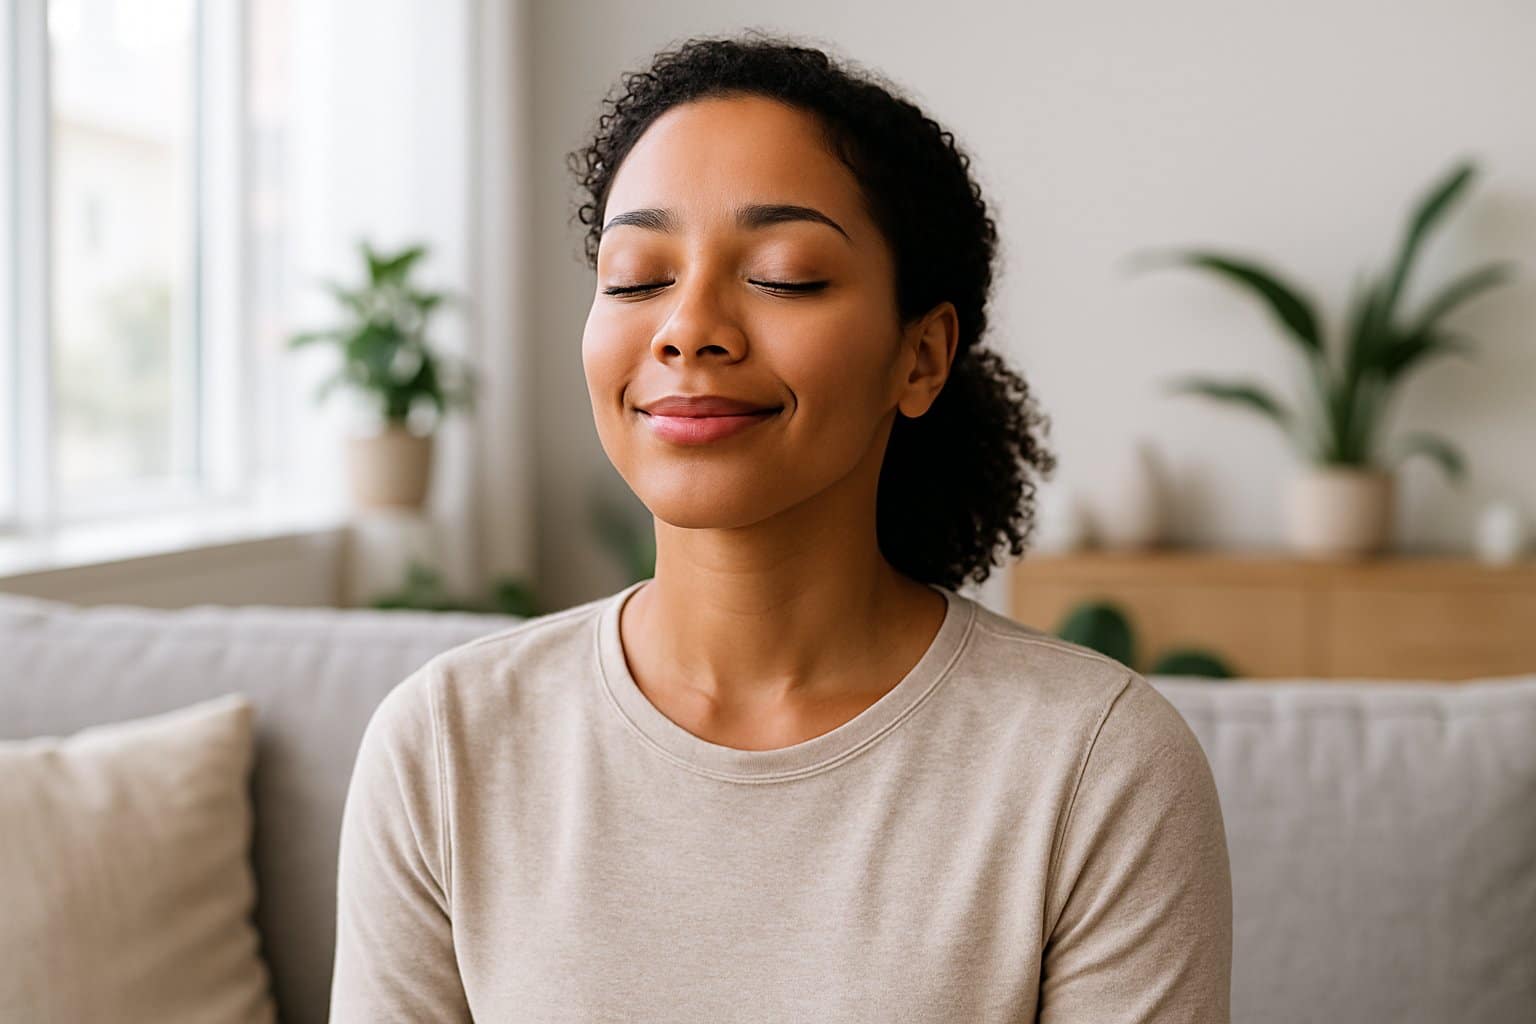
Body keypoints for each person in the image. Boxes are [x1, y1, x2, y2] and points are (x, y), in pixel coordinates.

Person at [329, 30, 1232, 1023]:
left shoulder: (1095, 764)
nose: (687, 327)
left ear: (921, 358)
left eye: (786, 274)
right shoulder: (446, 744)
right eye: (636, 277)